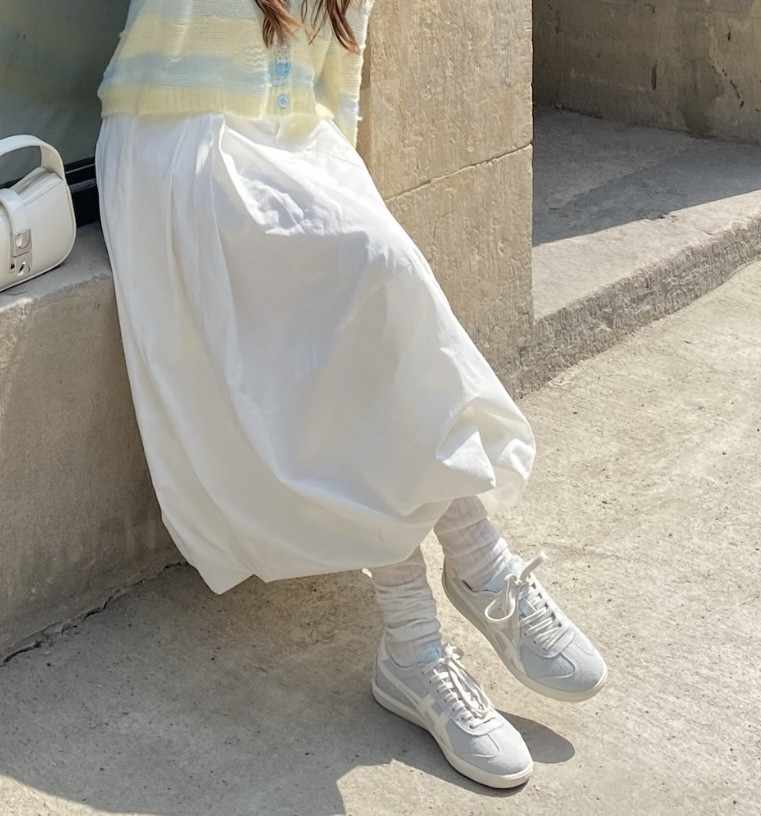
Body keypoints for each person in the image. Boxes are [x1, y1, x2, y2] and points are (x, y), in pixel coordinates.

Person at [96, 0, 606, 790]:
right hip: (181, 139)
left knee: (373, 285)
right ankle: (464, 585)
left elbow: (335, 78)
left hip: (291, 142)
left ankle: (430, 621)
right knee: (365, 278)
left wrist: (335, 180)